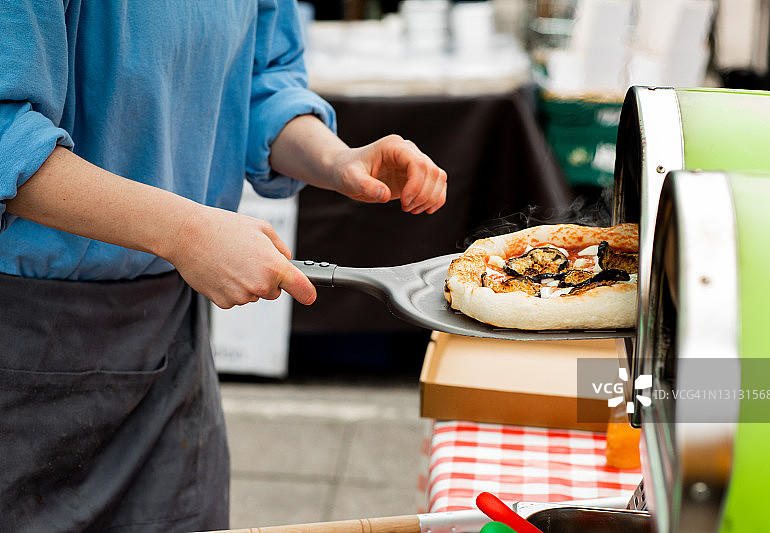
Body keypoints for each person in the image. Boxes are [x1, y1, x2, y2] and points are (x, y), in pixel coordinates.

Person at [0, 1, 447, 532]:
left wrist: (337, 160)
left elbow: (260, 84)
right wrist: (182, 231)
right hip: (28, 334)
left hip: (171, 331)